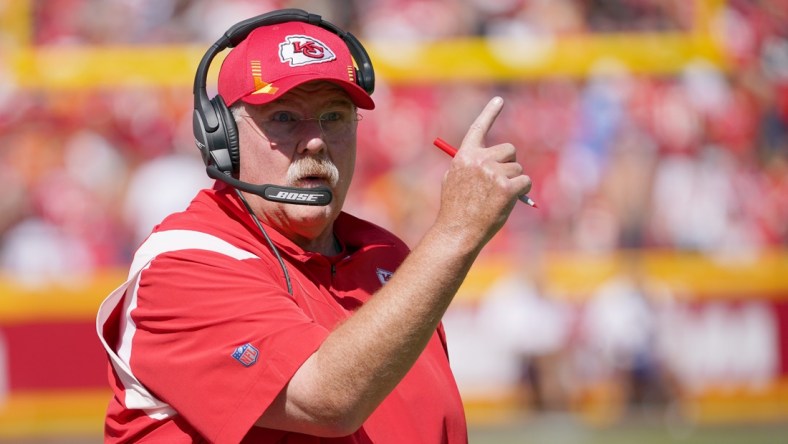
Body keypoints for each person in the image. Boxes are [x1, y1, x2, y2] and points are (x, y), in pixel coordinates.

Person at [96, 8, 531, 443]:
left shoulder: (387, 256)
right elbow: (326, 401)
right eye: (284, 117)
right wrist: (457, 230)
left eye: (335, 116)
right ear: (221, 137)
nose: (317, 139)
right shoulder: (183, 265)